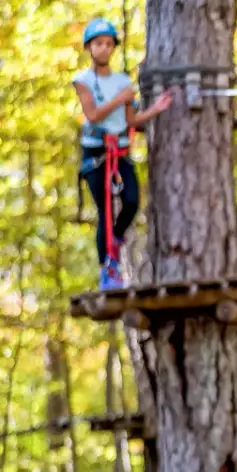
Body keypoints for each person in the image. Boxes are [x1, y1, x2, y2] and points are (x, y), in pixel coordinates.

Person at [72, 18, 172, 290]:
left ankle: (115, 238)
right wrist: (120, 98)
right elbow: (92, 115)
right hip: (96, 153)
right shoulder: (83, 81)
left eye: (108, 44)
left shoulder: (122, 81)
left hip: (121, 149)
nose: (104, 49)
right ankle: (108, 270)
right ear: (89, 48)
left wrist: (156, 109)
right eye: (98, 44)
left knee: (131, 201)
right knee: (105, 210)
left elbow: (131, 119)